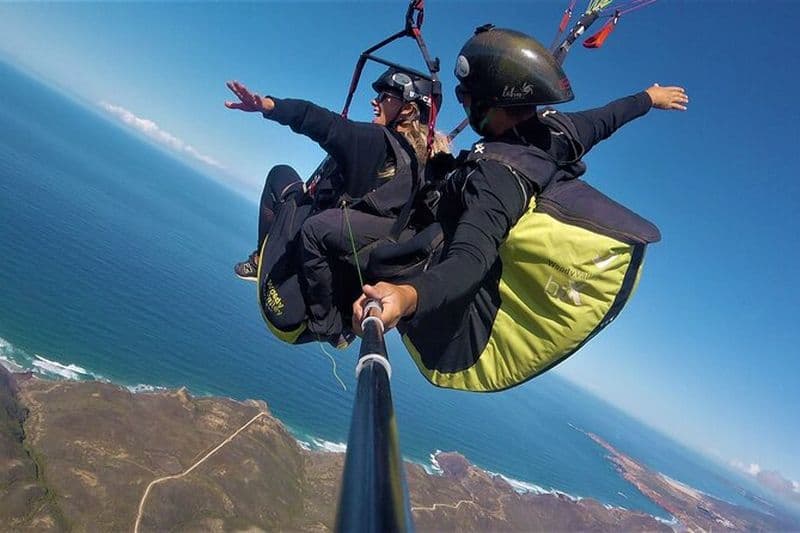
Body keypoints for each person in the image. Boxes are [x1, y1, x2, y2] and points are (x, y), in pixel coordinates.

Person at [353, 25, 689, 390]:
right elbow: (608, 118)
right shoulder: (558, 131)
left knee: (344, 239)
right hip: (460, 214)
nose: (462, 100)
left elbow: (469, 260)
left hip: (453, 331)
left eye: (466, 95)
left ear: (493, 103)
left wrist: (407, 296)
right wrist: (649, 97)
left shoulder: (497, 178)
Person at [225, 67, 449, 346]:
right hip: (341, 308)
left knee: (281, 176)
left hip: (287, 305)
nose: (375, 100)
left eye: (385, 96)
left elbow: (327, 124)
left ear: (407, 109)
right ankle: (333, 324)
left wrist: (270, 106)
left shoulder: (377, 142)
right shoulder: (423, 172)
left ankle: (260, 260)